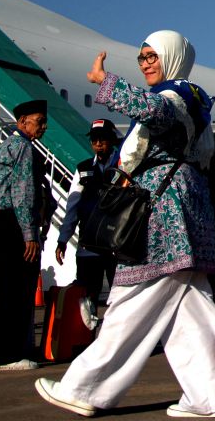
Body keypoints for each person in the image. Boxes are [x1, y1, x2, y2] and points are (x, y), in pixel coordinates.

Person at [36, 31, 215, 419]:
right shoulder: (187, 98)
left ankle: (84, 389)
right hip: (182, 214)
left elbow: (155, 111)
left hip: (164, 217)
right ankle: (211, 399)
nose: (144, 62)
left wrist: (104, 83)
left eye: (151, 55)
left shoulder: (180, 95)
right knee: (191, 316)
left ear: (172, 57)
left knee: (129, 303)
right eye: (141, 56)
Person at [0, 98, 51, 371]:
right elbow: (23, 192)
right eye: (39, 121)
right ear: (22, 122)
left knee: (5, 288)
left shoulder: (7, 145)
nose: (43, 127)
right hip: (14, 223)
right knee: (17, 289)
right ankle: (9, 355)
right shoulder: (23, 148)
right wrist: (29, 234)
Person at [55, 118, 122, 305]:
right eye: (94, 139)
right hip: (89, 244)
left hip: (116, 243)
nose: (98, 143)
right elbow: (73, 206)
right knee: (86, 297)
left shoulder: (124, 166)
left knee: (120, 298)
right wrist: (63, 239)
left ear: (112, 139)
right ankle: (87, 332)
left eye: (103, 138)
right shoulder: (83, 169)